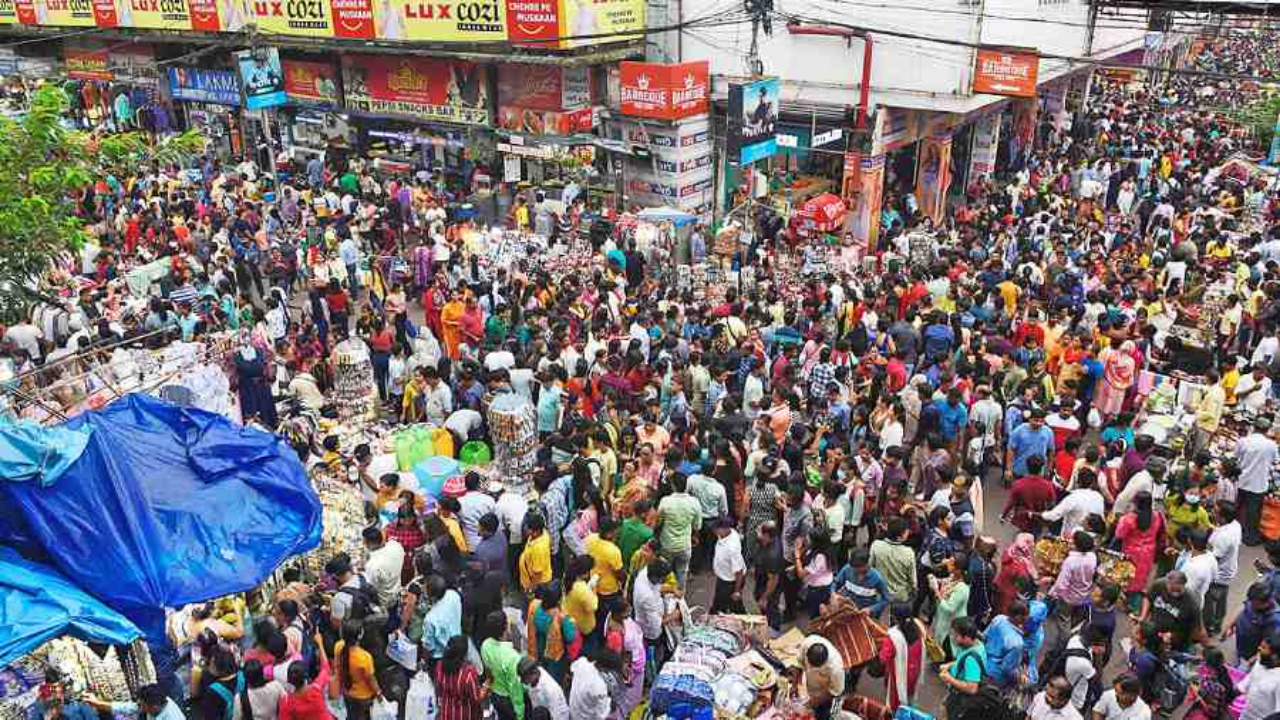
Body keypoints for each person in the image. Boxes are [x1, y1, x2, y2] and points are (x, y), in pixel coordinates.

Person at [1236, 417, 1277, 546]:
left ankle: (1237, 533)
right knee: (1254, 513)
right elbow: (1275, 461)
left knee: (1239, 508)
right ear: (1266, 430)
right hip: (1259, 484)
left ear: (1254, 427)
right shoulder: (1271, 445)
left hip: (1242, 480)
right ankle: (1250, 538)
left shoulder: (1243, 441)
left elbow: (1236, 457)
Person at [878, 602, 925, 710]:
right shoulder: (918, 628)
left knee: (895, 702)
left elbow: (883, 659)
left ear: (894, 618)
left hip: (898, 676)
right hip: (914, 673)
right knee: (909, 695)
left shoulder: (894, 637)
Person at [332, 620, 380, 720]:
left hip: (346, 692)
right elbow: (371, 679)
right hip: (363, 697)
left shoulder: (338, 646)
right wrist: (379, 693)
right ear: (359, 636)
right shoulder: (365, 658)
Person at [433, 635, 485, 720]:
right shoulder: (468, 673)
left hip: (446, 713)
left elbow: (439, 690)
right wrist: (486, 687)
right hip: (465, 715)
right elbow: (476, 698)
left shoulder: (439, 666)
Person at [796, 634, 846, 720]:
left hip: (824, 693)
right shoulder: (808, 642)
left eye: (814, 667)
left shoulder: (836, 669)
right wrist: (795, 683)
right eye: (809, 664)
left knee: (822, 715)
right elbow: (799, 664)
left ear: (824, 663)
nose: (810, 668)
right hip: (811, 688)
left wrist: (813, 702)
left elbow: (834, 692)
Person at [710, 516, 747, 613]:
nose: (714, 530)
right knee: (719, 603)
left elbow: (739, 572)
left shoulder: (732, 548)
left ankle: (744, 620)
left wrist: (737, 591)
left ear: (726, 529)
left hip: (730, 582)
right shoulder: (725, 534)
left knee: (734, 605)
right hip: (723, 578)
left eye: (717, 528)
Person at [568, 649, 615, 720]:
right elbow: (601, 716)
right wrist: (609, 699)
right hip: (584, 717)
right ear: (604, 668)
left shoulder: (582, 662)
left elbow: (572, 668)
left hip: (572, 710)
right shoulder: (600, 687)